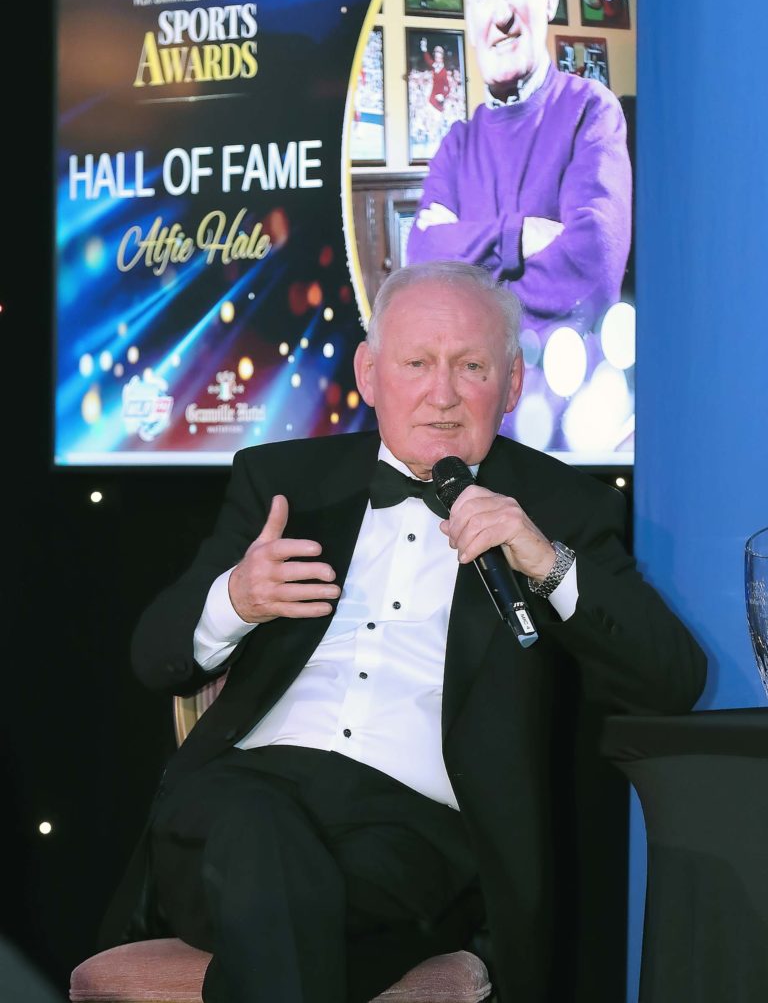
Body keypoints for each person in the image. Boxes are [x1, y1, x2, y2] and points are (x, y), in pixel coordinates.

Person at [102, 261, 706, 1003]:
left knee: (290, 914)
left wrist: (546, 562)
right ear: (370, 372)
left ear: (513, 383)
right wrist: (236, 597)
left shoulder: (559, 507)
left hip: (411, 832)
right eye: (417, 363)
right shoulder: (284, 481)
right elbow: (153, 656)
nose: (442, 393)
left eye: (471, 366)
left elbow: (673, 679)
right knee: (263, 838)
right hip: (238, 800)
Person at [406, 0, 631, 344]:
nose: (502, 13)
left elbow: (592, 282)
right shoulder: (455, 145)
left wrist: (464, 252)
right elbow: (420, 265)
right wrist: (518, 236)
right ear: (471, 18)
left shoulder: (592, 112)